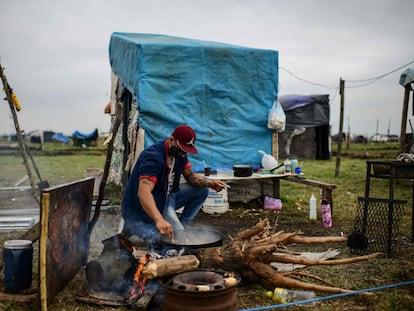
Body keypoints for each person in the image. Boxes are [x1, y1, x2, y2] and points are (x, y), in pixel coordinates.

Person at [121, 125, 226, 241]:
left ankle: (181, 228)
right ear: (172, 139)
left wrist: (210, 183)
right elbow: (143, 193)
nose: (183, 154)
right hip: (141, 208)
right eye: (181, 149)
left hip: (166, 198)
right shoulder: (152, 157)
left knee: (202, 190)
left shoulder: (179, 154)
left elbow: (190, 176)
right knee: (163, 243)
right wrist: (159, 220)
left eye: (186, 151)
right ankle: (169, 231)